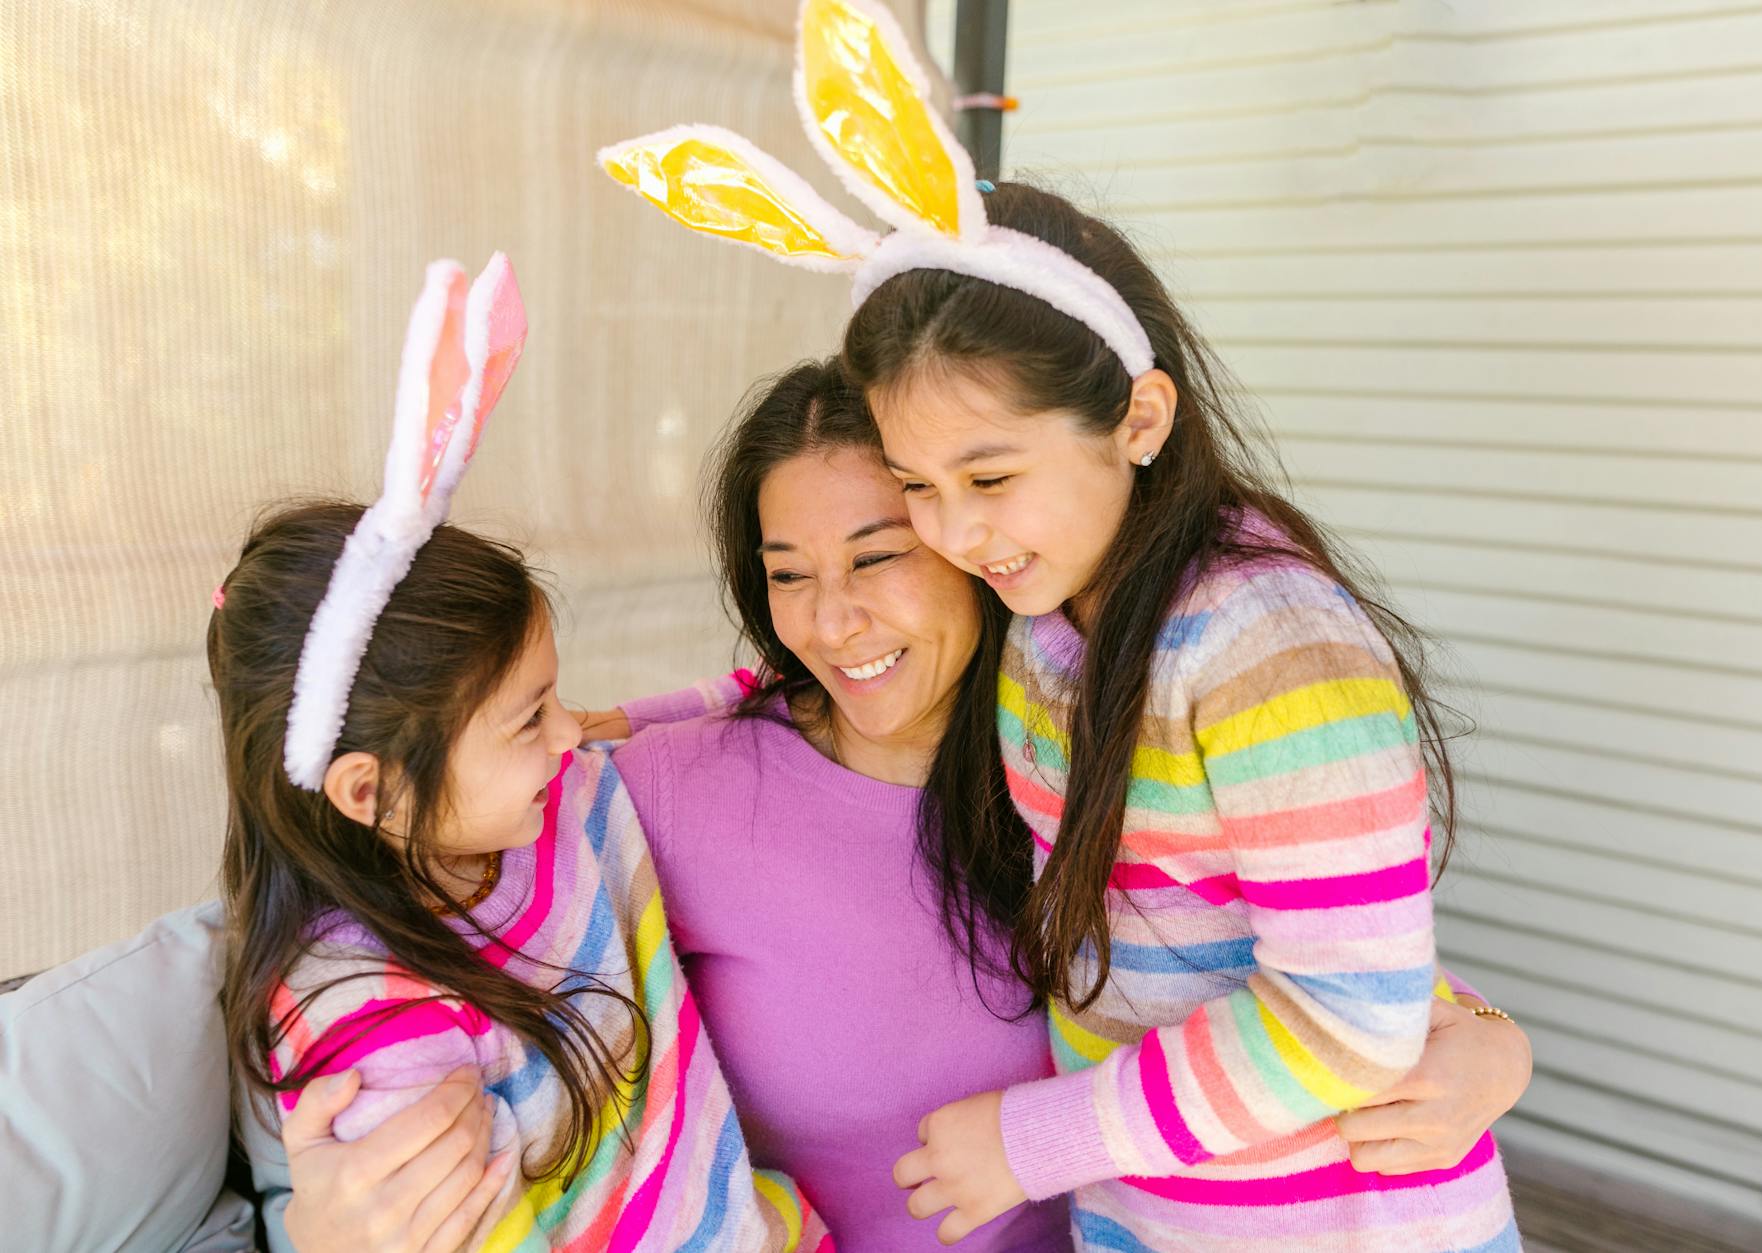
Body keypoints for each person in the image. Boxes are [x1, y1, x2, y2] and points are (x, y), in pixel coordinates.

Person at [278, 361, 1531, 1251]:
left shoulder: (1086, 735)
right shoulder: (666, 788)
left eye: (879, 556)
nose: (833, 619)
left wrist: (1478, 1035)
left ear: (974, 538)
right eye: (788, 575)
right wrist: (327, 1212)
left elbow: (1310, 952)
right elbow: (403, 894)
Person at [844, 180, 1522, 1249]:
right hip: (1153, 1209)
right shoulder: (1045, 603)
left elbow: (1349, 1012)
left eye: (988, 474)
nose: (955, 530)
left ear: (1139, 418)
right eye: (914, 484)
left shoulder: (1266, 644)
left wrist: (1033, 1141)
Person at [218, 256, 827, 1252]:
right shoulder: (373, 1022)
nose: (570, 729)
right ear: (370, 789)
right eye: (528, 715)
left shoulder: (565, 796)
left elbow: (696, 706)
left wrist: (770, 681)